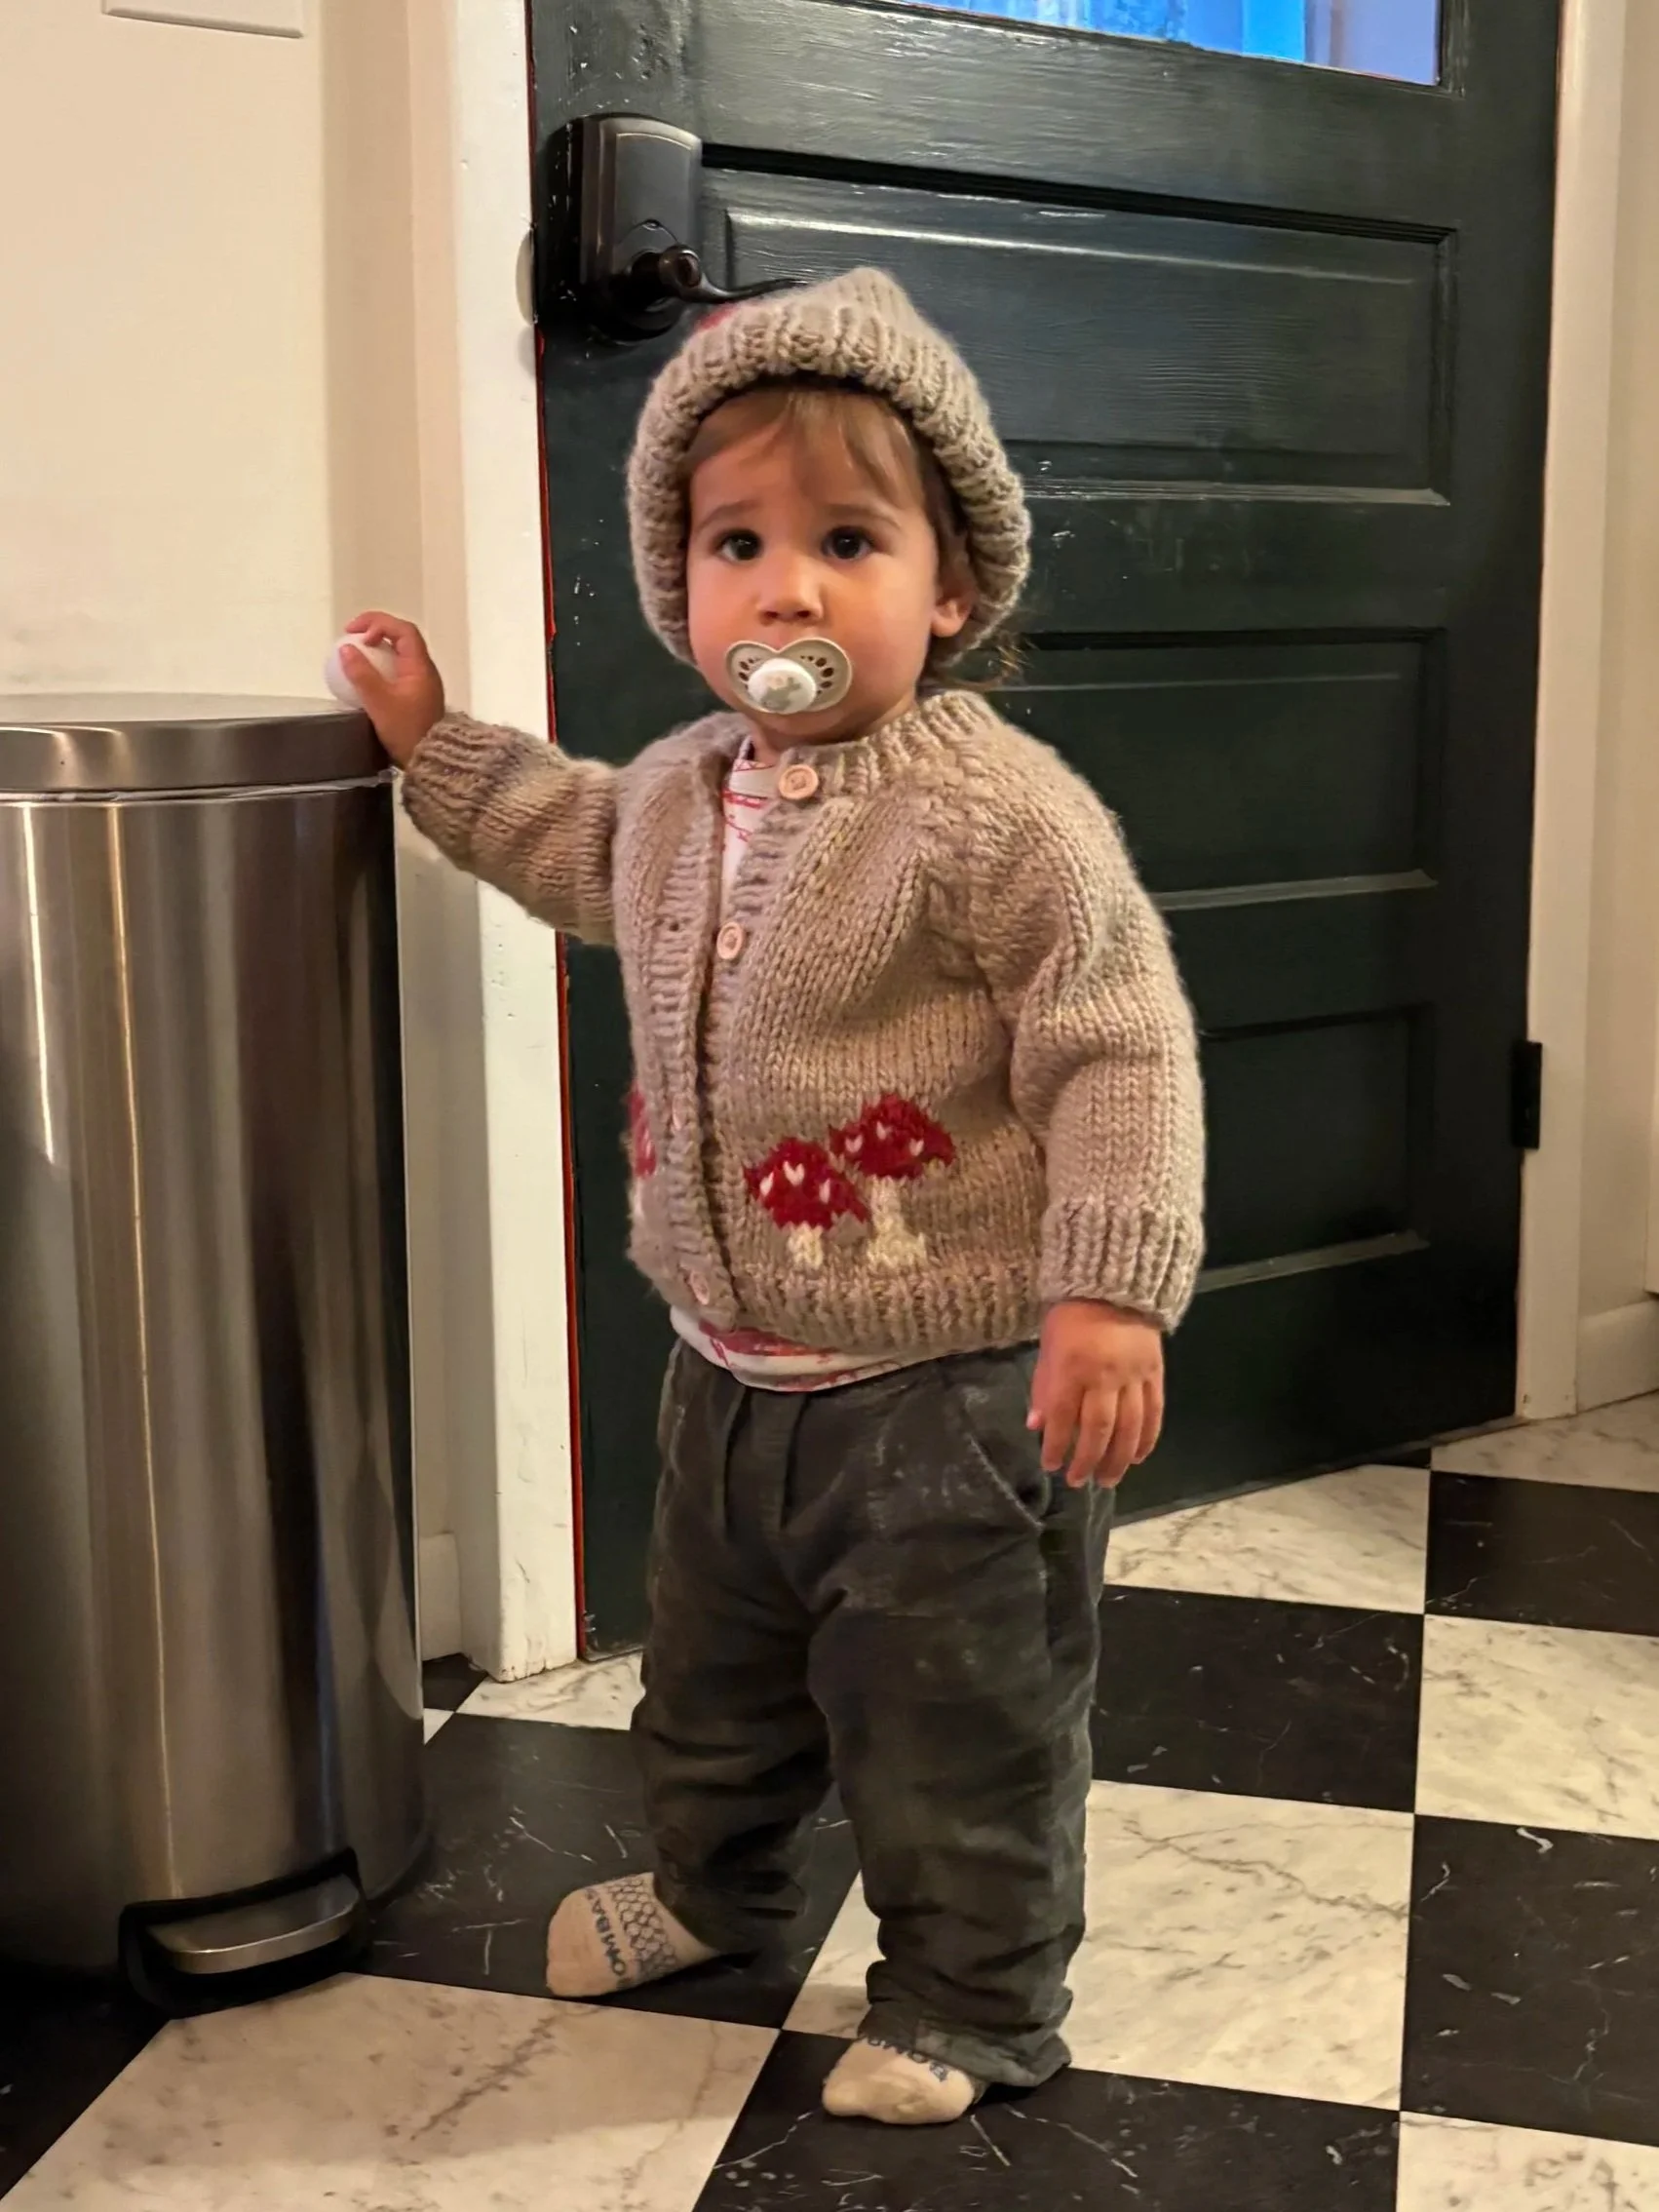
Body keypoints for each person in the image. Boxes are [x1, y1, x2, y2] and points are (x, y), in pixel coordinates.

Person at [341, 267, 1204, 2128]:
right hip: (724, 1374)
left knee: (954, 1716)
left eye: (845, 539)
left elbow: (1112, 1044)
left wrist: (1106, 1289)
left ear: (950, 585)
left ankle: (973, 1993)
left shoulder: (996, 812)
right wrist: (433, 745)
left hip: (952, 1399)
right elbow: (563, 837)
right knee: (711, 1683)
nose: (785, 587)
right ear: (683, 585)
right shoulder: (674, 789)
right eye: (735, 542)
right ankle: (715, 1894)